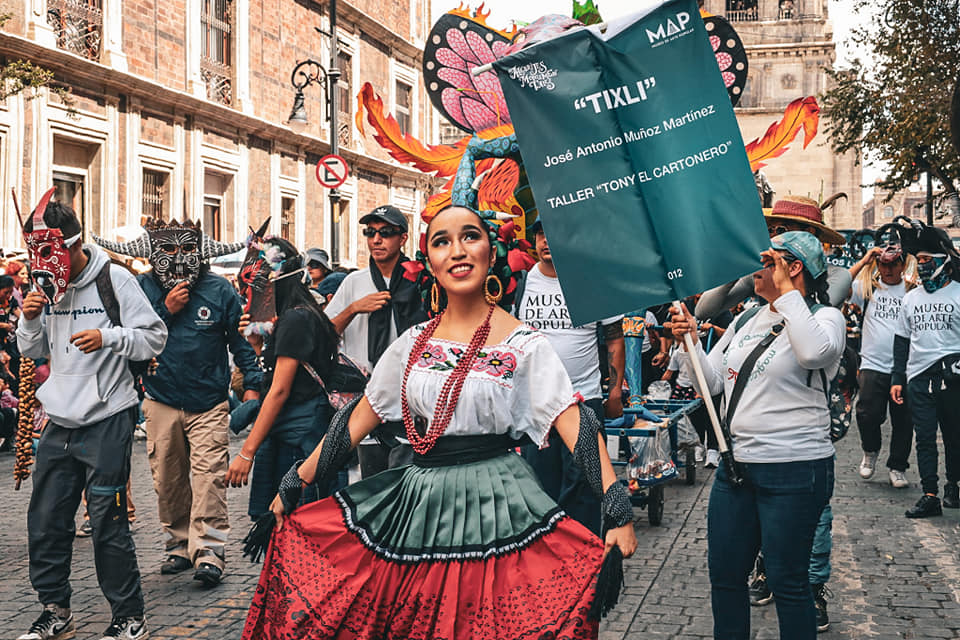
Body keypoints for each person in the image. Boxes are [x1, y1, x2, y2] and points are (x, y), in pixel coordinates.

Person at [241, 204, 637, 639]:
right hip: (418, 502)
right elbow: (358, 418)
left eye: (470, 236)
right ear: (429, 260)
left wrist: (614, 503)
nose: (458, 251)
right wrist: (295, 480)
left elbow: (573, 420)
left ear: (490, 252)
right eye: (442, 241)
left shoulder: (525, 344)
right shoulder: (413, 343)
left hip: (499, 503)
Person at [670, 231, 843, 640]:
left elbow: (814, 353)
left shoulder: (823, 317)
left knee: (788, 583)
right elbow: (711, 383)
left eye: (765, 260)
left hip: (795, 471)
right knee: (726, 578)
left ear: (792, 266)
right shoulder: (749, 317)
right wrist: (691, 341)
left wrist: (786, 293)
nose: (753, 270)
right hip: (737, 469)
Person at [15, 192, 167, 640]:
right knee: (45, 520)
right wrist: (28, 320)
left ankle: (129, 616)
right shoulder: (44, 285)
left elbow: (153, 338)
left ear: (73, 245)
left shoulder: (114, 280)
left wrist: (109, 337)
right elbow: (33, 351)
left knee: (107, 520)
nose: (43, 263)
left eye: (50, 252)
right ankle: (55, 612)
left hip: (107, 418)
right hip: (60, 419)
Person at [97, 218, 260, 587]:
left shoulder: (219, 290)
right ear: (153, 254)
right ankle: (179, 544)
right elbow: (130, 336)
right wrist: (166, 309)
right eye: (168, 250)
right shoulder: (139, 287)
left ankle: (210, 552)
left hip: (209, 402)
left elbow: (239, 342)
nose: (178, 257)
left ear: (201, 253)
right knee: (168, 481)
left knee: (209, 481)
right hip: (161, 399)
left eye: (187, 249)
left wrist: (252, 383)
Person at [513, 219, 625, 535]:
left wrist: (614, 389)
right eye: (540, 234)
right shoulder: (520, 284)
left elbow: (614, 336)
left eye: (555, 232)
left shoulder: (590, 282)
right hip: (537, 403)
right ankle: (548, 562)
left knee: (584, 488)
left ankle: (585, 563)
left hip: (584, 400)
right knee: (540, 487)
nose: (546, 241)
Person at [226, 236, 341, 521]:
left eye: (254, 282)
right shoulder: (296, 316)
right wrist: (256, 342)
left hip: (299, 439)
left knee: (294, 524)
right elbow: (273, 375)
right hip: (289, 435)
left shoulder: (296, 319)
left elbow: (279, 390)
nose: (247, 291)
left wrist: (246, 452)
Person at [325, 205, 427, 477]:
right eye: (370, 233)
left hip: (412, 396)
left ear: (402, 238)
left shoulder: (421, 280)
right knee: (368, 480)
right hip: (365, 395)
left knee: (408, 481)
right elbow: (323, 335)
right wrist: (353, 308)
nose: (376, 240)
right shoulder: (354, 282)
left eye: (385, 233)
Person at [891, 225, 960, 518]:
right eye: (917, 260)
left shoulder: (958, 293)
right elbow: (901, 342)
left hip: (953, 376)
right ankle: (929, 494)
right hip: (918, 377)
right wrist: (897, 379)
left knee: (955, 435)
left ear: (942, 258)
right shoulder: (911, 298)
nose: (921, 265)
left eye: (925, 258)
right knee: (925, 438)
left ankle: (953, 486)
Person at [847, 244, 916, 488]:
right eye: (883, 264)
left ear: (902, 265)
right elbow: (840, 286)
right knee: (866, 414)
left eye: (892, 264)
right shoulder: (868, 288)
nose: (887, 269)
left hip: (904, 367)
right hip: (872, 364)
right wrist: (865, 260)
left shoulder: (912, 292)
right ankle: (870, 451)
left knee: (903, 420)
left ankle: (897, 466)